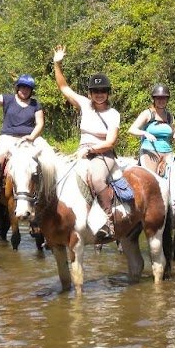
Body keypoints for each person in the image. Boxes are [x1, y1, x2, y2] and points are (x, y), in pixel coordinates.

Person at [53, 44, 120, 242]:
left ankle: (108, 223)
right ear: (90, 93)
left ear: (107, 93)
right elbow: (63, 87)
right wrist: (57, 63)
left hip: (103, 154)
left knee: (98, 179)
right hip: (81, 151)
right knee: (57, 176)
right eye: (95, 91)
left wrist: (92, 149)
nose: (99, 94)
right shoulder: (84, 104)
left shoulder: (113, 114)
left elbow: (111, 142)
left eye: (103, 91)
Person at [0, 72, 46, 196]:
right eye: (22, 87)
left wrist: (32, 136)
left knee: (46, 157)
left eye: (28, 88)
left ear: (31, 90)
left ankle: (46, 186)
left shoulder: (35, 104)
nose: (25, 90)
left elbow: (40, 123)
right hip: (8, 136)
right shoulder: (8, 99)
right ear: (18, 87)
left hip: (28, 138)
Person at [128, 84, 175, 175]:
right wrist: (145, 133)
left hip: (167, 152)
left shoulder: (170, 116)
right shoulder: (147, 114)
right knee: (152, 178)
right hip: (150, 152)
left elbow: (172, 135)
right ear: (154, 99)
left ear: (167, 99)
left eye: (164, 98)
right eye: (158, 98)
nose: (161, 101)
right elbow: (132, 129)